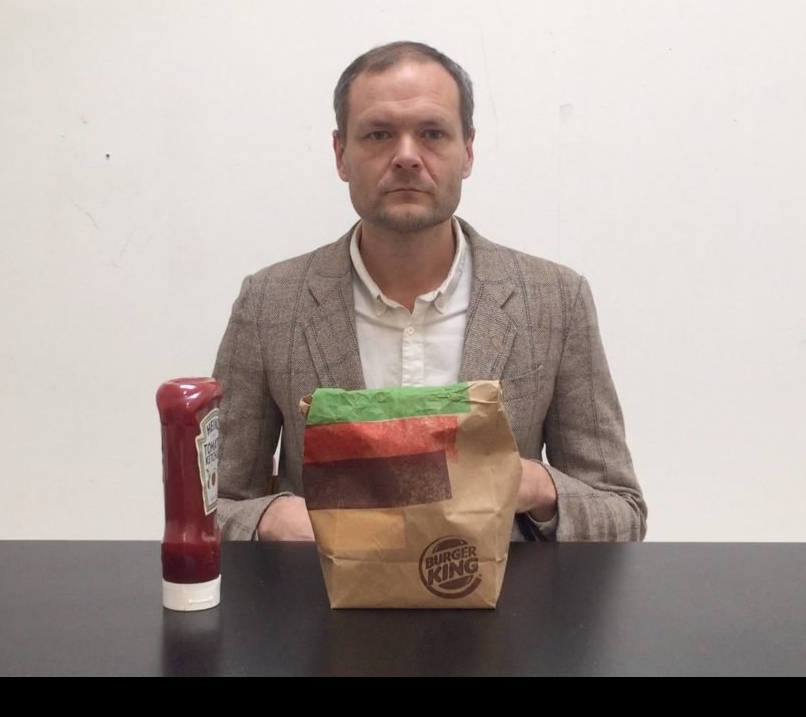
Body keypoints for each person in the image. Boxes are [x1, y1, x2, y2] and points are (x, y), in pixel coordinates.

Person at [212, 41, 646, 542]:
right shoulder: (269, 303)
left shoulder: (555, 300)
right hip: (319, 592)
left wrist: (538, 486)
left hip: (503, 592)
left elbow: (622, 513)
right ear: (341, 154)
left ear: (468, 152)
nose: (406, 157)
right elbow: (210, 505)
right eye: (378, 134)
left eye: (433, 133)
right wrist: (268, 519)